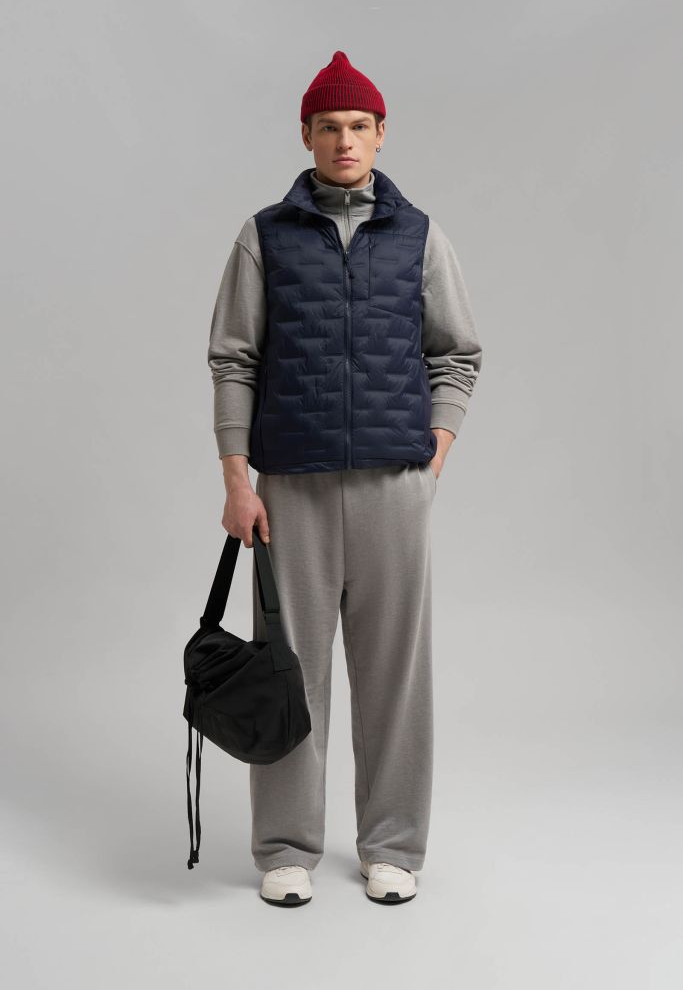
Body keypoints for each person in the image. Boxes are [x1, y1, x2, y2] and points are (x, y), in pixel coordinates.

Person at [207, 50, 483, 906]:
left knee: (395, 675)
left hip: (393, 489)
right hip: (289, 488)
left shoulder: (419, 236)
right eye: (328, 126)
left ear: (380, 133)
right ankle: (286, 846)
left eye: (358, 125)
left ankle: (391, 845)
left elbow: (457, 354)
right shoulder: (264, 235)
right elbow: (233, 359)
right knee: (291, 670)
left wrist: (435, 452)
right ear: (306, 135)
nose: (343, 140)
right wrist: (237, 481)